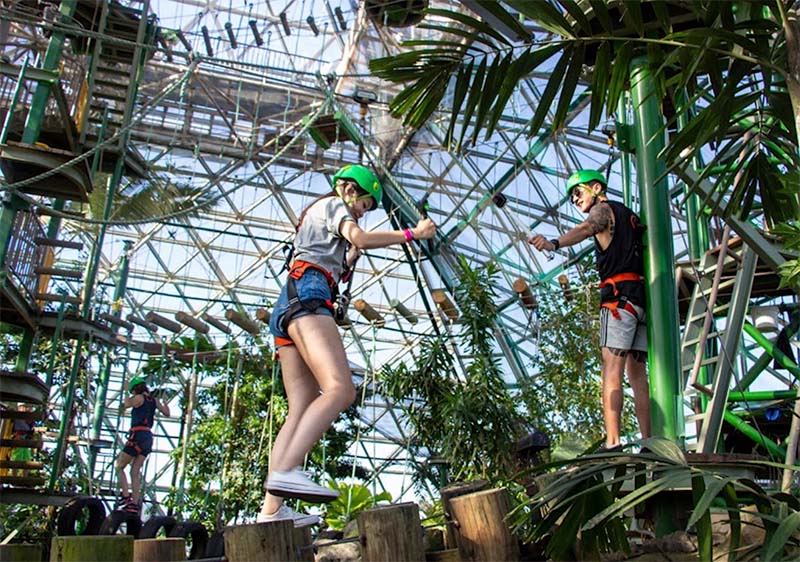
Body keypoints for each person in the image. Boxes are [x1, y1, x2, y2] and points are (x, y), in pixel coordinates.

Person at [260, 164, 436, 527]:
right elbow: (361, 237)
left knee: (301, 407)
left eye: (368, 208)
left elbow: (348, 249)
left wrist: (349, 259)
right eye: (364, 202)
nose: (362, 211)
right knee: (341, 389)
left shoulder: (320, 219)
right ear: (347, 188)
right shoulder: (333, 204)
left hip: (290, 300)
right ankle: (288, 470)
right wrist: (412, 233)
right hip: (308, 294)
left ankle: (271, 511)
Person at [529, 169, 650, 451]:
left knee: (611, 370)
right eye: (572, 196)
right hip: (639, 300)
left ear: (596, 187)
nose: (575, 199)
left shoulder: (604, 211)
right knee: (638, 375)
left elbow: (587, 228)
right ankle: (648, 441)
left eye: (579, 192)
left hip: (618, 303)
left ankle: (613, 442)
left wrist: (554, 243)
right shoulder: (630, 215)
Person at [115, 375, 170, 513]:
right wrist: (165, 402)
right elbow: (167, 413)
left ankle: (126, 496)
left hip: (137, 435)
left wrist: (125, 391)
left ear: (135, 390)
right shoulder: (154, 400)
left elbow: (126, 405)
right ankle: (134, 502)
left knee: (119, 466)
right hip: (147, 438)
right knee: (135, 471)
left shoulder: (138, 398)